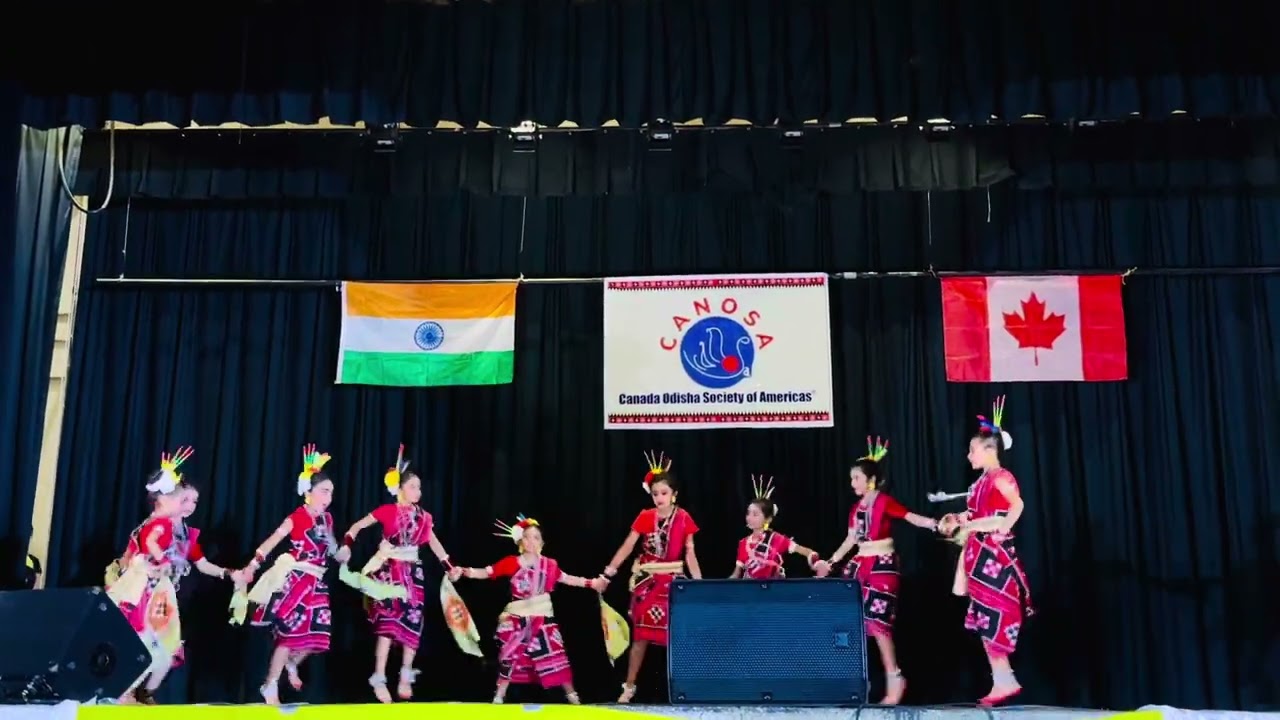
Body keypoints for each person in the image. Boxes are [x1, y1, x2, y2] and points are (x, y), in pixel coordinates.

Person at [105, 448, 244, 704]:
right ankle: (125, 692)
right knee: (145, 641)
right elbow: (148, 544)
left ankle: (144, 692)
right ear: (170, 498)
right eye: (185, 500)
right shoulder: (159, 524)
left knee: (165, 649)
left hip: (162, 594)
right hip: (144, 590)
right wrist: (160, 560)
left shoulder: (185, 534)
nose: (190, 506)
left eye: (194, 502)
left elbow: (202, 564)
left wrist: (229, 573)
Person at [825, 437, 939, 706]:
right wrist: (831, 562)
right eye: (852, 478)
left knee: (879, 624)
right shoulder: (855, 509)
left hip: (881, 566)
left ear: (871, 479)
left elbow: (910, 517)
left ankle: (895, 677)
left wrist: (935, 524)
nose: (852, 484)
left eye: (856, 478)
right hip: (860, 566)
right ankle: (852, 682)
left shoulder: (884, 502)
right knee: (850, 623)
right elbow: (851, 540)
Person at [449, 515, 607, 704]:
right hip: (517, 619)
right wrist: (463, 571)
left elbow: (569, 579)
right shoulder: (511, 562)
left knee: (556, 656)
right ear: (520, 541)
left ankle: (573, 697)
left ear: (542, 542)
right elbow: (486, 572)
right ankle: (499, 696)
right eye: (527, 537)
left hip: (543, 620)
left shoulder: (550, 565)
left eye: (536, 537)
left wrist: (592, 583)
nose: (531, 541)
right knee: (510, 657)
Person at [938, 397, 1034, 706]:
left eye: (973, 449)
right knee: (985, 619)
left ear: (990, 450)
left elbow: (1016, 505)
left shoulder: (1001, 477)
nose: (968, 455)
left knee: (996, 616)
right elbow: (976, 513)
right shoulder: (981, 482)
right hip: (978, 558)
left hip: (993, 558)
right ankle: (1003, 680)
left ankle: (1005, 680)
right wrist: (958, 520)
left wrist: (1004, 526)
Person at [342, 446, 457, 703]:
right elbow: (358, 525)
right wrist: (347, 543)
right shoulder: (387, 511)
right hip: (389, 572)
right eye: (414, 486)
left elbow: (433, 542)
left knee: (414, 622)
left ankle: (406, 674)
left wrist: (450, 566)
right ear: (401, 488)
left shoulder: (424, 517)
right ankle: (379, 676)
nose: (419, 491)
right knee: (388, 622)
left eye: (419, 487)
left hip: (412, 573)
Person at [240, 444, 349, 705]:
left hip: (318, 583)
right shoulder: (296, 517)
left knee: (319, 637)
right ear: (308, 493)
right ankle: (270, 684)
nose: (328, 497)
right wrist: (253, 565)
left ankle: (291, 664)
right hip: (298, 582)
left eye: (331, 492)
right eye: (324, 491)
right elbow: (272, 541)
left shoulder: (328, 520)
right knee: (288, 637)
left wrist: (342, 553)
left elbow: (333, 549)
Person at [600, 451, 703, 704]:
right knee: (641, 638)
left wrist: (700, 583)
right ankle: (629, 686)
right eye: (655, 493)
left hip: (674, 585)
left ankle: (684, 687)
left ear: (674, 494)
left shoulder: (684, 518)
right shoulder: (646, 516)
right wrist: (609, 571)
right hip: (647, 584)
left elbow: (690, 552)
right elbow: (628, 546)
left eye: (664, 493)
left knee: (677, 637)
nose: (659, 498)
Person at [729, 474, 831, 580]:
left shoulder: (777, 539)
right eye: (748, 513)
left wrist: (816, 562)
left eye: (755, 514)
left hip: (774, 590)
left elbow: (807, 552)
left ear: (768, 519)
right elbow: (736, 574)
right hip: (750, 591)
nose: (749, 517)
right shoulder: (743, 543)